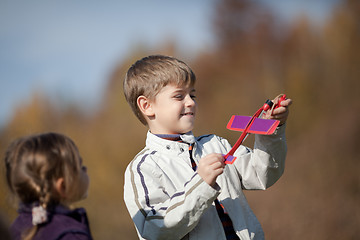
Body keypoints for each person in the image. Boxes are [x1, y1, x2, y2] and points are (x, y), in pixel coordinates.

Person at [123, 55, 292, 240]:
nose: (190, 102)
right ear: (146, 106)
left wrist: (272, 129)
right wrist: (201, 184)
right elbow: (155, 228)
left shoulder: (215, 144)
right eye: (179, 96)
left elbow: (263, 174)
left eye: (192, 95)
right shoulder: (143, 168)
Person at [4, 132, 93, 240]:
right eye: (80, 166)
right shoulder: (71, 235)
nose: (86, 169)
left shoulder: (13, 230)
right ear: (62, 186)